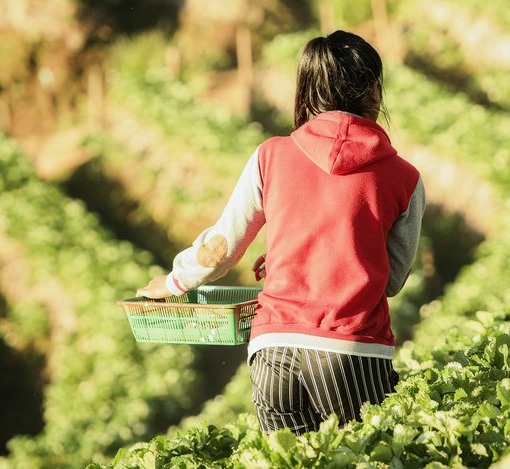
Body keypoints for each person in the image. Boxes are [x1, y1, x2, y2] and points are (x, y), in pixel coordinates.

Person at [137, 30, 425, 435]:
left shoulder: (270, 156)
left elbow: (221, 248)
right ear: (374, 91)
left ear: (308, 91)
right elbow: (391, 281)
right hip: (351, 351)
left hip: (273, 351)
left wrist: (174, 282)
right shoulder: (404, 178)